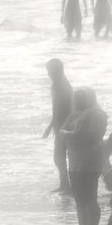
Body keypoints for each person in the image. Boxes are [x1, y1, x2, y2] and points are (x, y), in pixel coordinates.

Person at [58, 87, 108, 225]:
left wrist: (68, 134)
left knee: (89, 196)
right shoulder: (74, 115)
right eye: (77, 98)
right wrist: (69, 134)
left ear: (89, 99)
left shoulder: (96, 115)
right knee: (79, 197)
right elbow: (65, 132)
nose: (79, 101)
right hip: (74, 161)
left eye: (82, 98)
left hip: (90, 161)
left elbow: (85, 136)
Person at [42, 58, 73, 194]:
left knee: (59, 156)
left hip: (64, 125)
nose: (48, 74)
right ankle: (65, 184)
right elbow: (56, 109)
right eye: (47, 71)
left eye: (50, 71)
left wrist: (59, 127)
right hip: (60, 124)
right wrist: (51, 126)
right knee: (60, 156)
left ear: (57, 71)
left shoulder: (62, 86)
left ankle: (66, 185)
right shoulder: (57, 84)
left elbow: (64, 109)